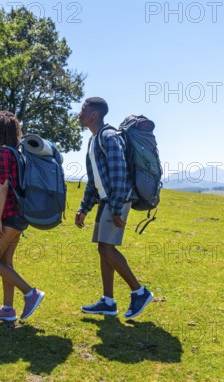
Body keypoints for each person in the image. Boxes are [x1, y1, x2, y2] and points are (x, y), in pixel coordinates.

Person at [75, 97, 154, 318]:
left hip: (116, 200)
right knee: (103, 249)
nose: (80, 113)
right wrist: (84, 208)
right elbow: (94, 180)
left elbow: (119, 172)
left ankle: (140, 292)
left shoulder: (109, 137)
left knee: (107, 248)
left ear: (94, 114)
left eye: (84, 109)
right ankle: (108, 301)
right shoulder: (93, 141)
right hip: (106, 200)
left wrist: (118, 207)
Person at [0, 111, 45, 321]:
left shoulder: (2, 153)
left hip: (9, 215)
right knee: (5, 262)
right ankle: (8, 309)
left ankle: (30, 293)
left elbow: (3, 187)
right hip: (21, 215)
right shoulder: (15, 152)